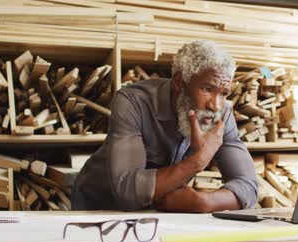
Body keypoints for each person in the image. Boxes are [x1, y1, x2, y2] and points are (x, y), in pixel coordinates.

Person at [72, 40, 258, 212]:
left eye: (224, 93)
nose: (215, 105)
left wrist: (202, 202)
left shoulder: (220, 114)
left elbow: (249, 187)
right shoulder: (133, 102)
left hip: (156, 212)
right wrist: (197, 162)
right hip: (97, 206)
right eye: (207, 89)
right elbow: (127, 192)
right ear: (179, 82)